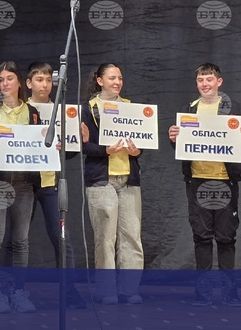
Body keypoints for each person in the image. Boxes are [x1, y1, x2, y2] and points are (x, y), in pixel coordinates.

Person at [168, 63, 241, 307]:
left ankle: (229, 293)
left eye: (209, 79)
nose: (205, 84)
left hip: (225, 180)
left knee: (226, 237)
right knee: (202, 237)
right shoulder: (189, 109)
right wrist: (173, 138)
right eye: (200, 80)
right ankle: (203, 294)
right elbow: (182, 145)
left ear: (219, 82)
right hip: (197, 179)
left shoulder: (233, 108)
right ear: (197, 84)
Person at [25, 62, 87, 309]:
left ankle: (69, 291)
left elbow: (68, 152)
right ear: (29, 83)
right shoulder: (22, 110)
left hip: (51, 183)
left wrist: (77, 142)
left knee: (63, 240)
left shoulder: (61, 112)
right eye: (39, 80)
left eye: (48, 80)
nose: (45, 85)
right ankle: (13, 290)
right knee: (17, 240)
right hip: (24, 183)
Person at [0, 61, 40, 314]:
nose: (4, 83)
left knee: (21, 241)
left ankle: (18, 293)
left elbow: (40, 143)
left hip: (24, 182)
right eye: (1, 79)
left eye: (9, 78)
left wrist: (51, 146)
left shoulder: (33, 112)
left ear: (20, 82)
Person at [81, 62, 143, 305]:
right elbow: (83, 145)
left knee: (131, 236)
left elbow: (142, 142)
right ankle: (106, 290)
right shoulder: (88, 109)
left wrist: (138, 151)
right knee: (105, 238)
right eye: (112, 78)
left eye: (120, 78)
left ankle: (129, 289)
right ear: (99, 81)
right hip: (101, 180)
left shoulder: (130, 107)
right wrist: (104, 150)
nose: (117, 82)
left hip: (128, 179)